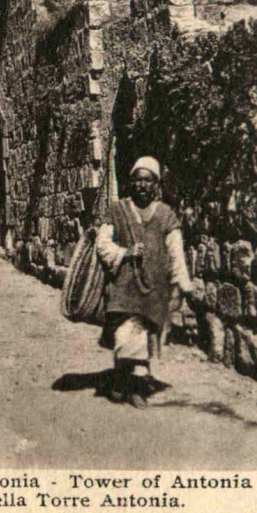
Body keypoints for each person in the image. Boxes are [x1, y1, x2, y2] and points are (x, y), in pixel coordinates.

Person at [95, 156, 192, 408]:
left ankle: (132, 383)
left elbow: (175, 250)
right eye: (137, 179)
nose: (141, 185)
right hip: (124, 286)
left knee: (145, 336)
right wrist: (124, 253)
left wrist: (181, 281)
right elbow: (102, 244)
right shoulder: (117, 211)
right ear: (131, 183)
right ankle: (126, 380)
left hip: (154, 288)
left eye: (147, 180)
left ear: (156, 184)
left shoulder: (165, 214)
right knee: (126, 333)